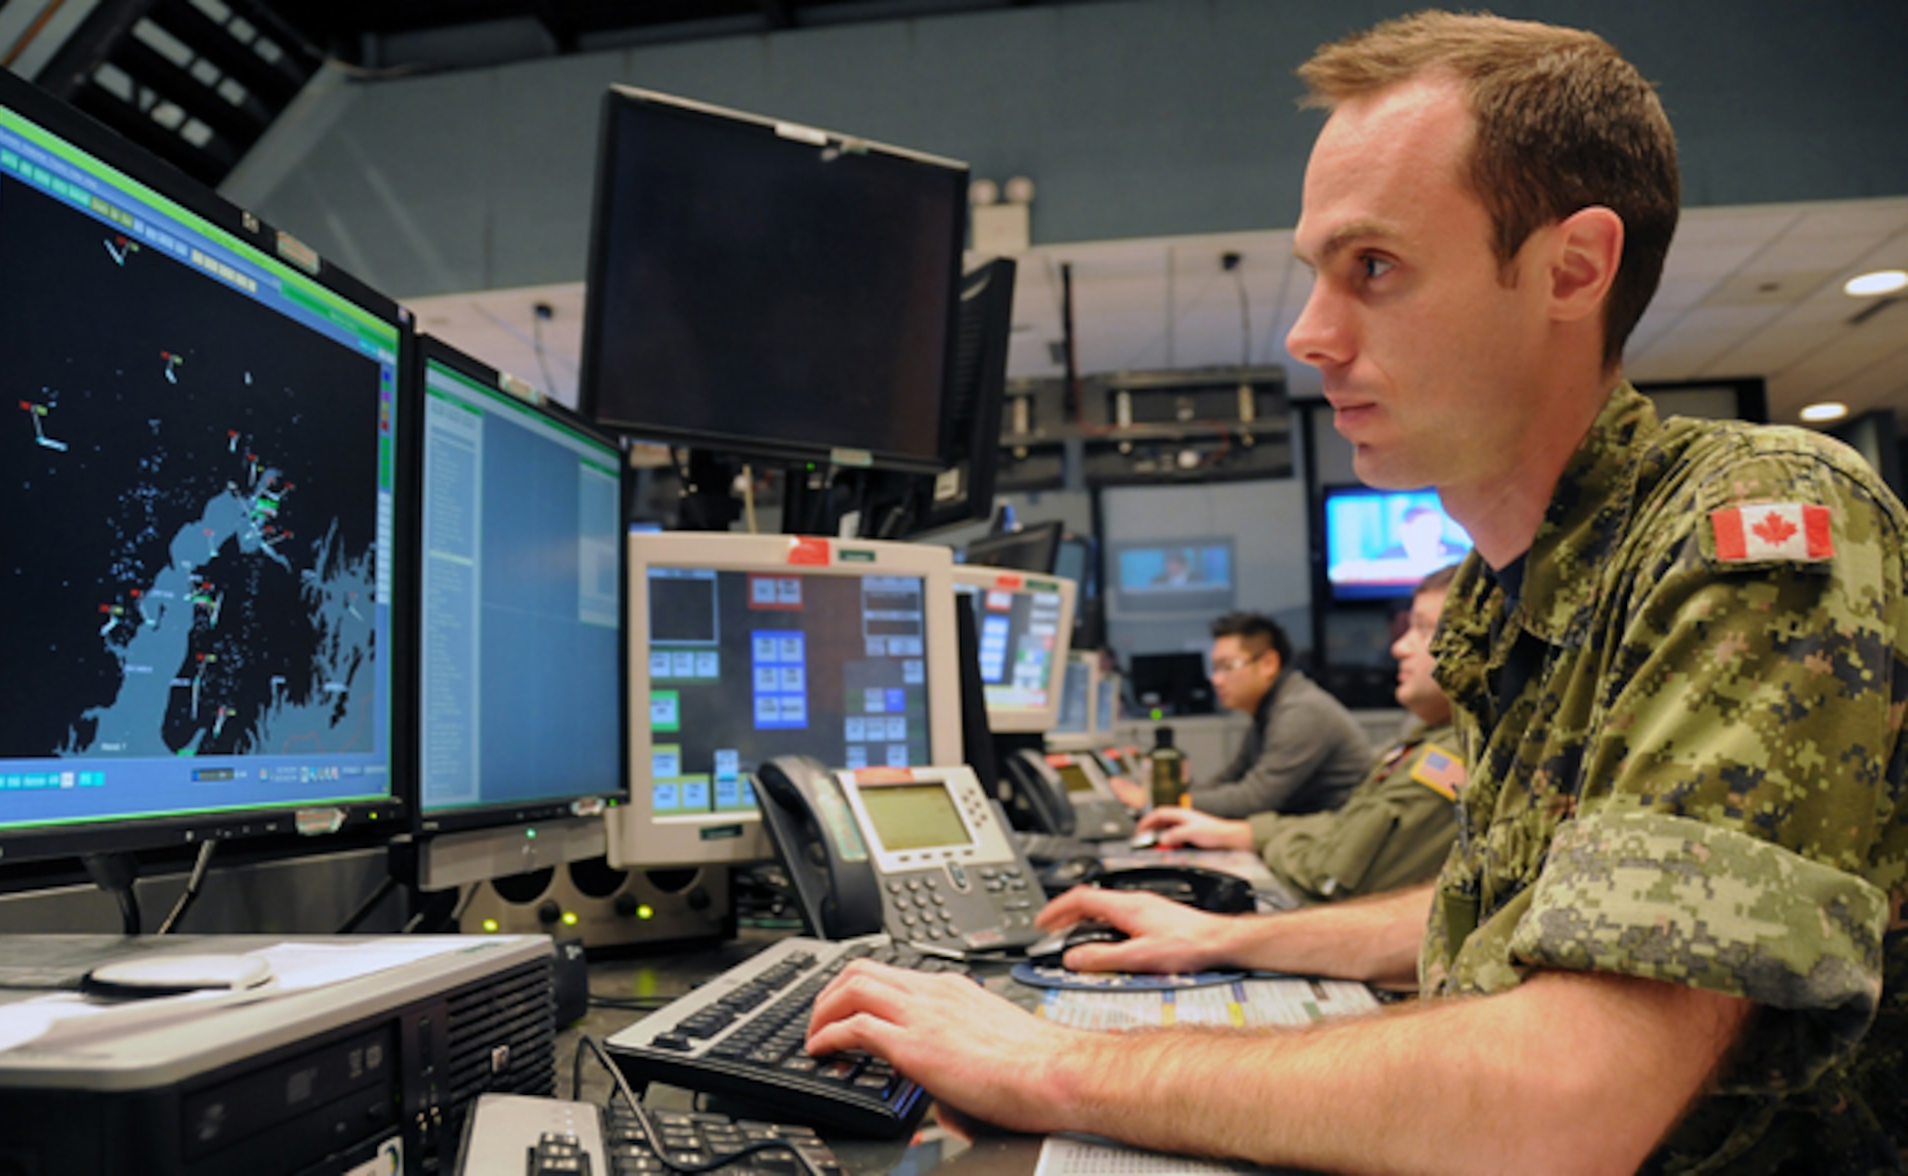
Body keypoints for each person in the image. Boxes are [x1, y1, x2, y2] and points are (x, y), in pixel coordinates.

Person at [806, 12, 1907, 1171]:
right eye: (1315, 273)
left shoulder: (1758, 525)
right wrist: (1239, 941)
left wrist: (1050, 1063)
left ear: (1570, 269)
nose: (1307, 335)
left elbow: (1572, 1096)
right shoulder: (1504, 593)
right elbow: (1521, 927)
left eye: (1371, 268)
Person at [1140, 564, 1462, 903]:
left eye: (1424, 629)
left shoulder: (1301, 712)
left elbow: (1332, 873)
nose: (1399, 648)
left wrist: (1163, 802)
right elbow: (1339, 826)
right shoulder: (1426, 733)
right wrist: (1235, 832)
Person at [1157, 612, 1371, 820]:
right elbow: (1232, 778)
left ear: (1268, 664)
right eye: (1214, 668)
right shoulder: (1270, 709)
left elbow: (1255, 800)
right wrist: (1173, 798)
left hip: (1334, 840)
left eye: (1226, 667)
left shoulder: (1301, 711)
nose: (1216, 680)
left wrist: (1166, 803)